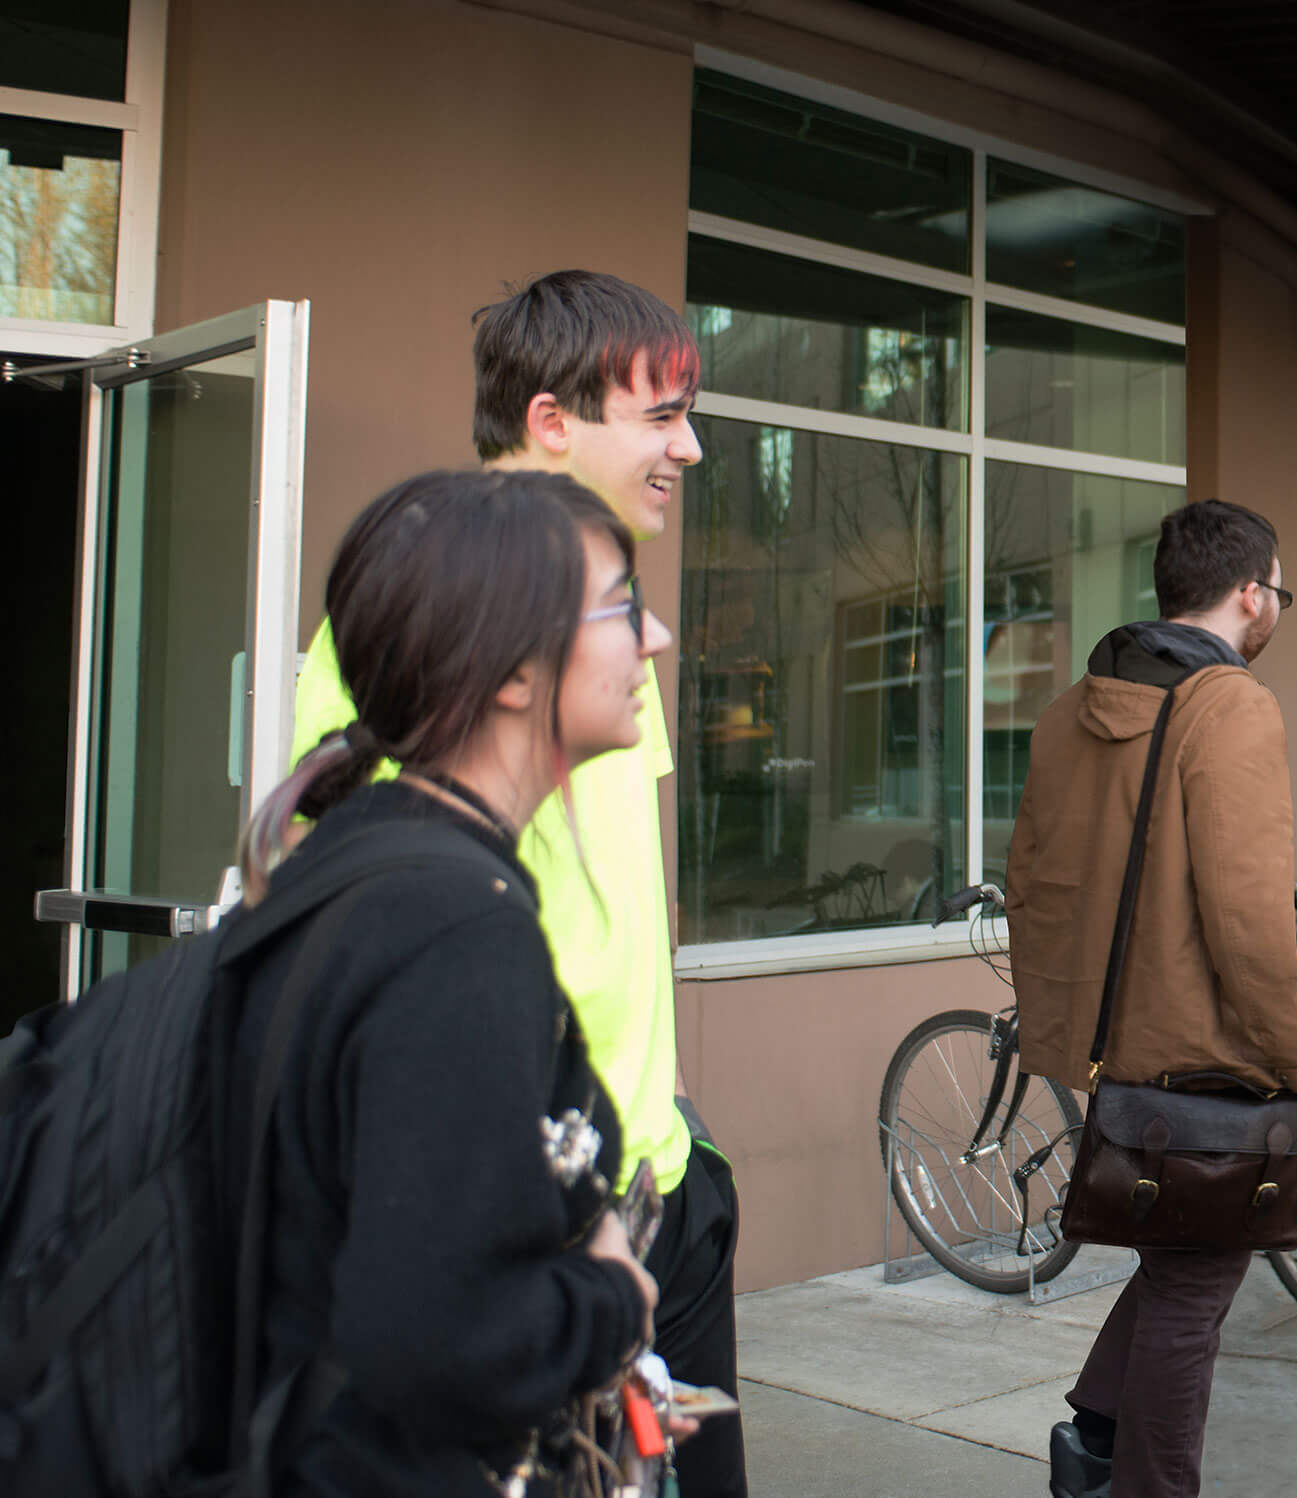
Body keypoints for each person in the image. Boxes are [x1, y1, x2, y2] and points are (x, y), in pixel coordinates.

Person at [284, 270, 745, 1498]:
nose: (689, 448)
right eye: (661, 414)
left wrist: (677, 1122)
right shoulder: (407, 629)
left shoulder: (602, 614)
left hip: (658, 1183)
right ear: (551, 423)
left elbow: (627, 886)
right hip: (532, 1207)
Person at [229, 468, 679, 1493]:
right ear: (514, 672)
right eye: (624, 607)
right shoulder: (456, 928)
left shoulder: (359, 867)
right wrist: (613, 1292)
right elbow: (440, 1337)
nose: (653, 640)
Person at [1004, 498, 1297, 1498]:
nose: (1275, 608)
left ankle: (1092, 1442)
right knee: (1194, 1292)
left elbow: (1033, 881)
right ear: (1249, 594)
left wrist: (1077, 1031)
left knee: (1175, 1264)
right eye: (1277, 591)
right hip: (1212, 1061)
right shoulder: (1231, 704)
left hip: (1122, 1056)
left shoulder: (1074, 708)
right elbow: (1245, 919)